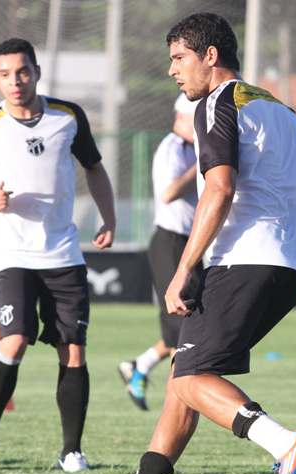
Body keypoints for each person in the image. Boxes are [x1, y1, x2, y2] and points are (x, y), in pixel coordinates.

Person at [96, 13, 296, 474]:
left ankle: (285, 446)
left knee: (188, 378)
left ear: (211, 56)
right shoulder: (282, 110)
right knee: (186, 377)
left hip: (244, 258)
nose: (172, 71)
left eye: (179, 58)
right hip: (288, 267)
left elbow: (220, 187)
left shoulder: (216, 103)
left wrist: (185, 267)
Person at [0, 38, 116, 473]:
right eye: (5, 74)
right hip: (11, 255)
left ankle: (71, 451)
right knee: (14, 340)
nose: (15, 81)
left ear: (37, 72)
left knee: (73, 350)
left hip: (63, 253)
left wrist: (109, 218)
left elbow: (94, 167)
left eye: (22, 72)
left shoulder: (68, 117)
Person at [118, 93, 202, 411]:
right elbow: (169, 192)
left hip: (186, 243)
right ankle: (180, 398)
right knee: (184, 324)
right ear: (182, 117)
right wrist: (205, 167)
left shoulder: (191, 149)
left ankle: (140, 365)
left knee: (187, 323)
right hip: (170, 241)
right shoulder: (173, 148)